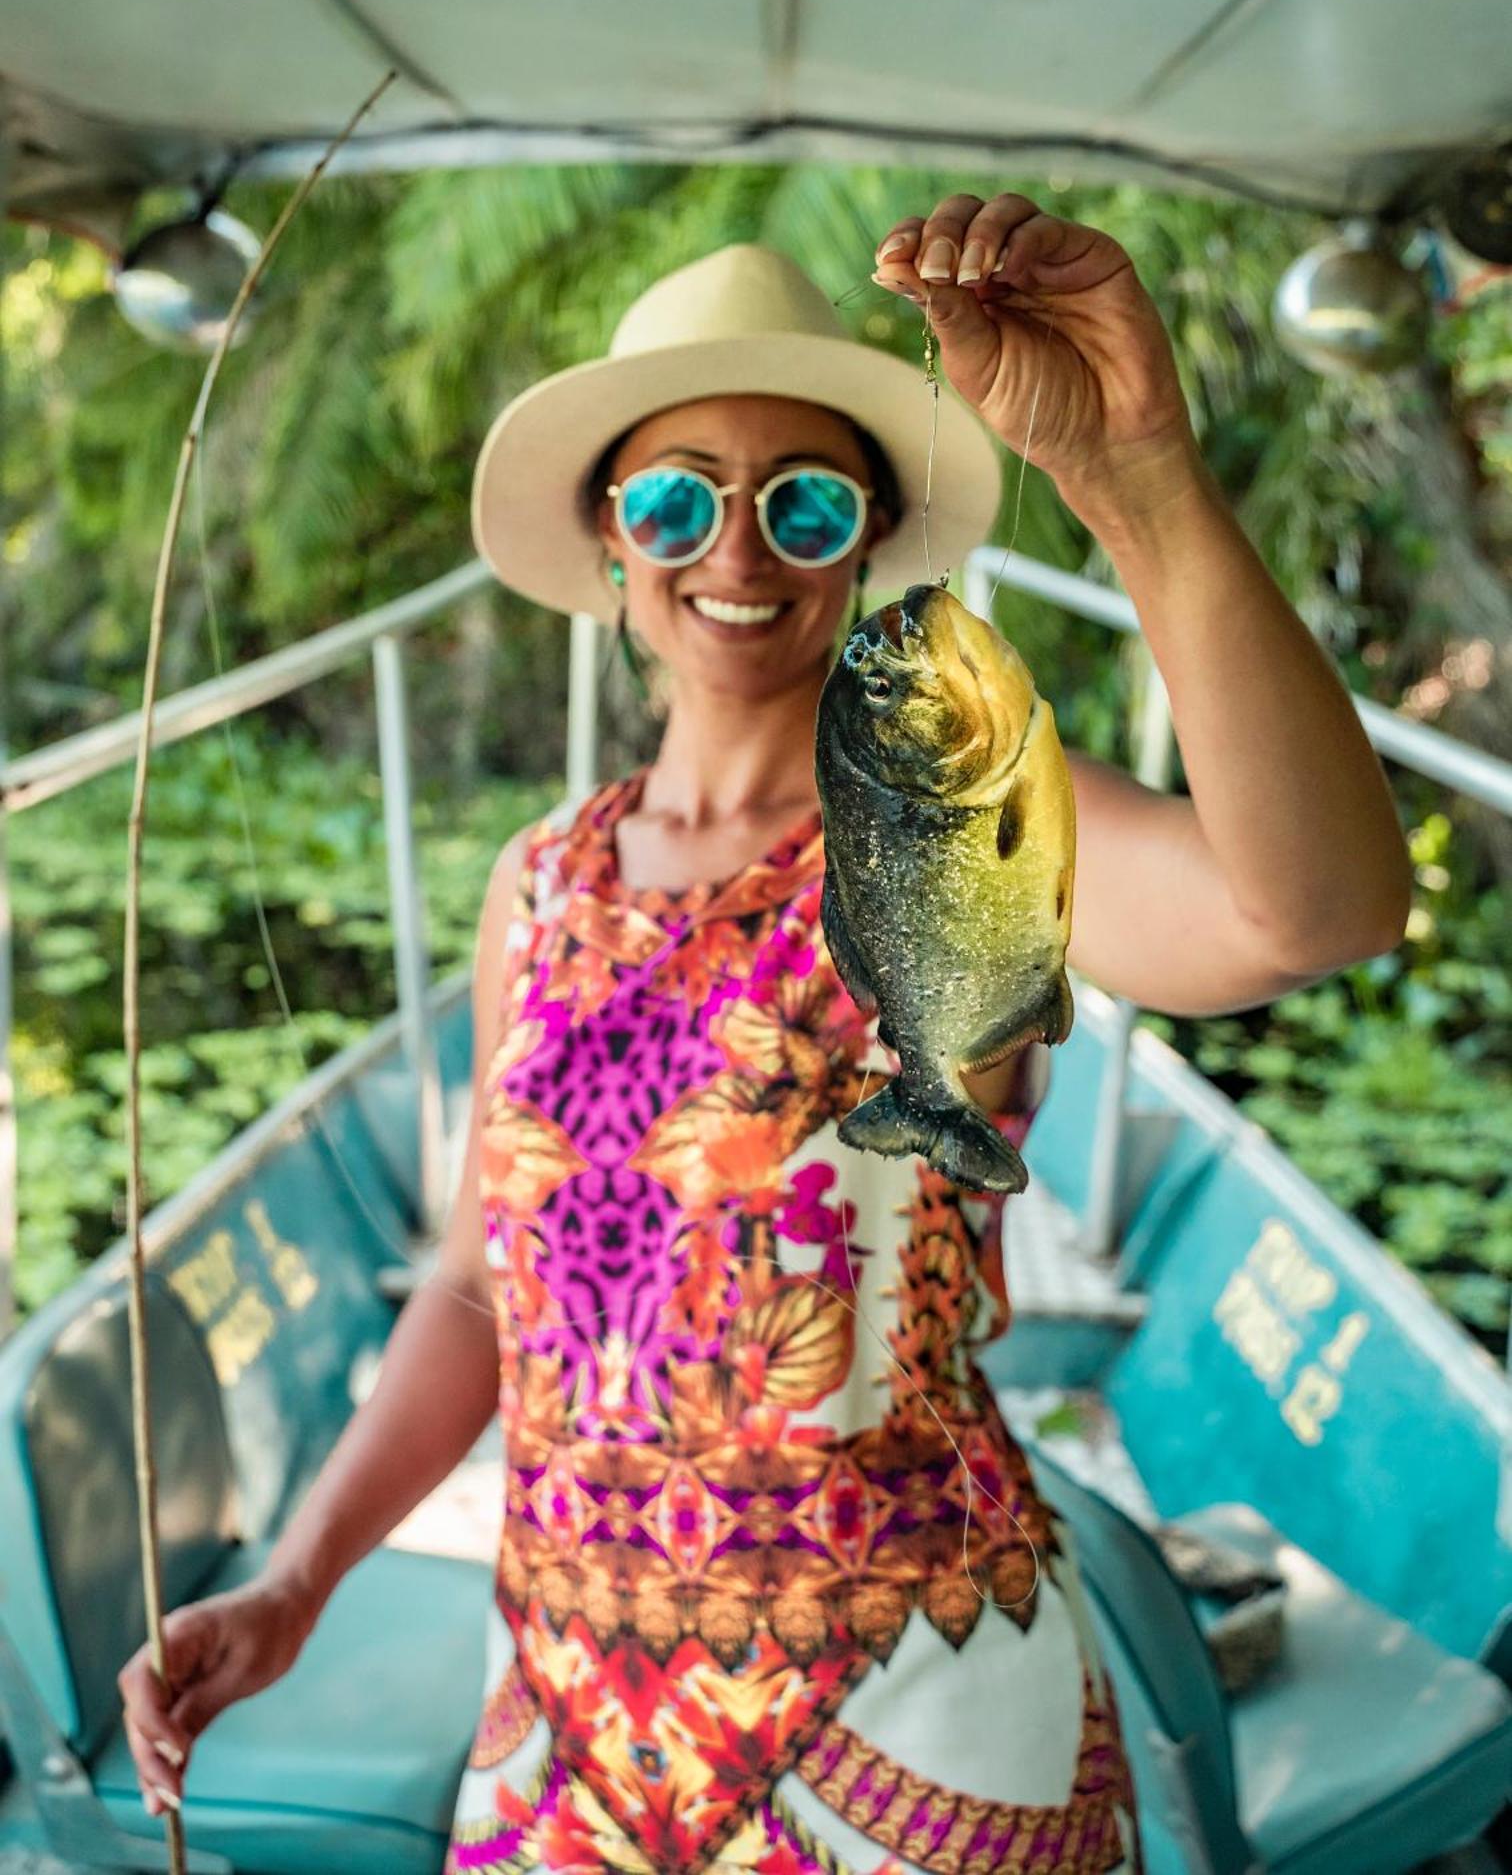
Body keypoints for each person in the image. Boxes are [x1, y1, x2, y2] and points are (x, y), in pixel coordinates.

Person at [120, 193, 1411, 1873]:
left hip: (923, 1712)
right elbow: (471, 1288)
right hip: (567, 1721)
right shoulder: (539, 884)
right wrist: (299, 1578)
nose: (734, 551)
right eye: (676, 499)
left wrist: (1138, 477)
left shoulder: (952, 814)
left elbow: (1307, 913)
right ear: (610, 543)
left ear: (865, 542)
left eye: (800, 504)